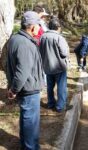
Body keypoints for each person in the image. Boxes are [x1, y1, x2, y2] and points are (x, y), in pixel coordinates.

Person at [6, 11, 44, 150]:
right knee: (31, 122)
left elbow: (9, 65)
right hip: (29, 90)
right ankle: (30, 147)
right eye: (38, 25)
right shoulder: (25, 44)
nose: (40, 29)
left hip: (26, 88)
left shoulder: (16, 38)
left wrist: (13, 87)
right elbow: (22, 71)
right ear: (32, 27)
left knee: (26, 119)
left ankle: (27, 145)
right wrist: (14, 89)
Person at [40, 18, 69, 112]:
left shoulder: (43, 36)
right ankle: (60, 107)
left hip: (47, 67)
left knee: (49, 87)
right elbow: (64, 53)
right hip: (59, 67)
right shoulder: (59, 37)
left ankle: (50, 104)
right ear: (58, 27)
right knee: (61, 87)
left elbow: (40, 51)